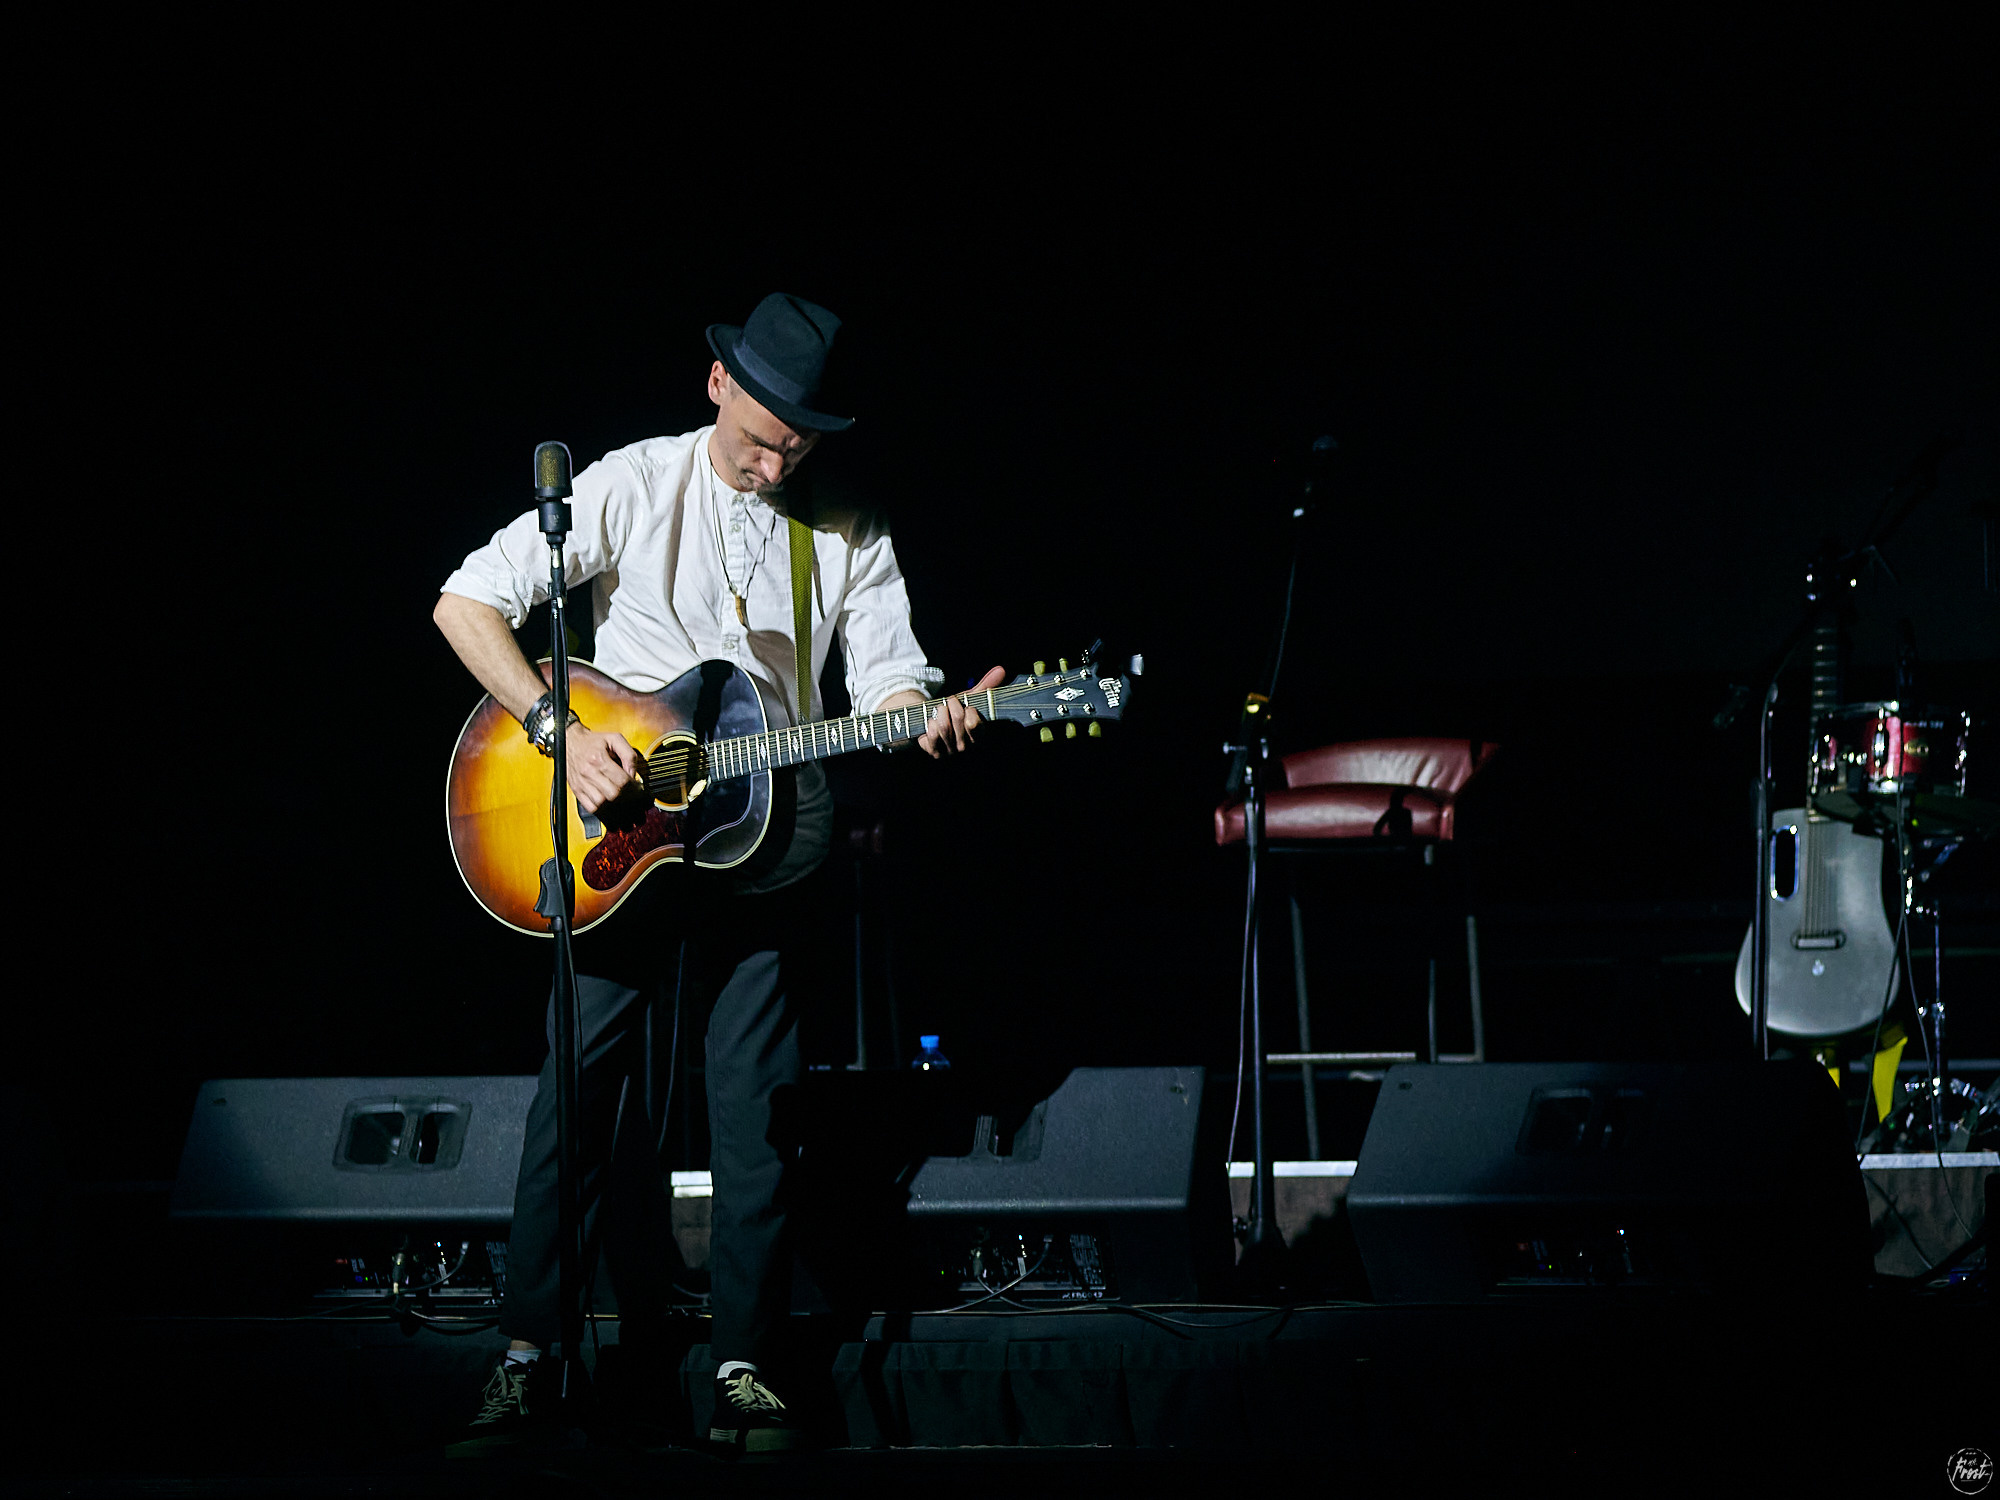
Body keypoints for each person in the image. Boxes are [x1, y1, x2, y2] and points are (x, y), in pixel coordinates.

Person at [433, 293, 1000, 1453]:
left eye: (797, 444)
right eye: (757, 437)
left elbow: (886, 679)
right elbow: (465, 602)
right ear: (715, 388)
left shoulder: (845, 523)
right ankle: (530, 1350)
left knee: (758, 1111)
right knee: (576, 1098)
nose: (772, 460)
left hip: (767, 838)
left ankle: (745, 1359)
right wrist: (556, 725)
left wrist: (920, 715)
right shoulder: (634, 483)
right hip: (616, 838)